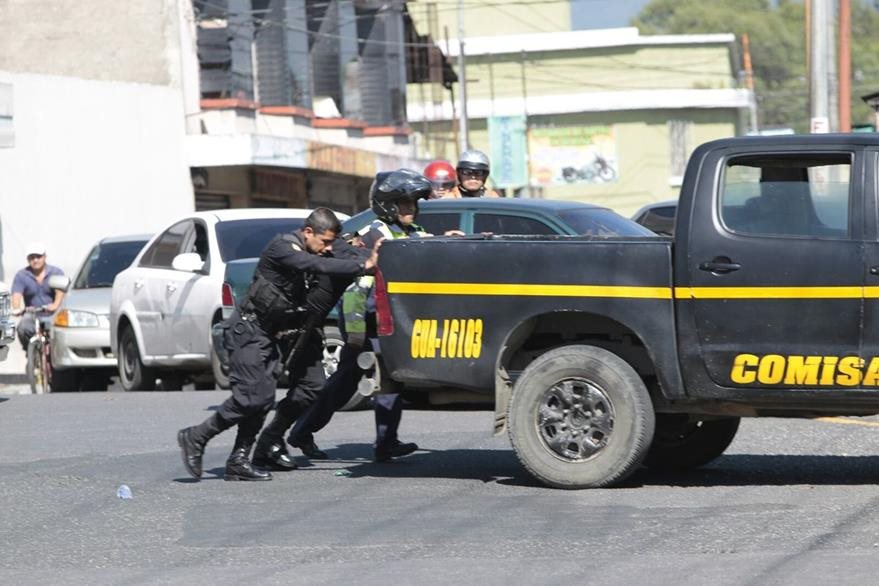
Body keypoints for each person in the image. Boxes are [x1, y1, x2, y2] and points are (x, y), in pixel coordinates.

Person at [177, 208, 378, 481]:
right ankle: (197, 436)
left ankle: (246, 456)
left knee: (275, 395)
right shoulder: (283, 247)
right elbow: (313, 265)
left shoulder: (321, 244)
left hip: (274, 331)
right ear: (308, 232)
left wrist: (376, 253)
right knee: (254, 398)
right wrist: (361, 265)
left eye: (332, 242)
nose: (328, 249)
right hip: (249, 328)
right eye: (324, 242)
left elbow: (344, 253)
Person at [256, 169, 434, 465]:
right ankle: (379, 442)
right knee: (376, 378)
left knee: (349, 383)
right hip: (362, 319)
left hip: (384, 320)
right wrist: (356, 331)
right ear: (387, 205)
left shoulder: (410, 231)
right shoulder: (374, 234)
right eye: (404, 204)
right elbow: (355, 275)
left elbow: (428, 247)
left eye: (413, 204)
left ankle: (306, 431)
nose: (411, 210)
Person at [11, 242, 66, 350]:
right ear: (28, 259)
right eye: (32, 257)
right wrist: (16, 308)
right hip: (32, 313)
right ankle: (31, 352)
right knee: (23, 328)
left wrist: (55, 305)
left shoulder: (56, 272)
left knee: (59, 332)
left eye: (38, 257)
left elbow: (60, 292)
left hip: (53, 313)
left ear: (45, 257)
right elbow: (16, 294)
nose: (35, 260)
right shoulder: (22, 275)